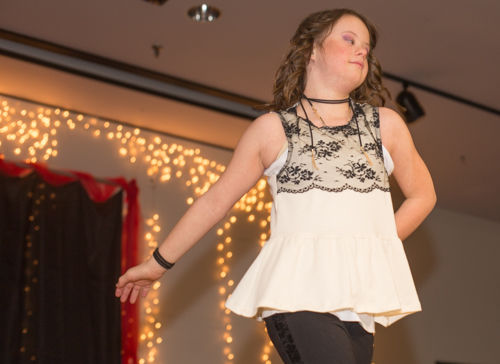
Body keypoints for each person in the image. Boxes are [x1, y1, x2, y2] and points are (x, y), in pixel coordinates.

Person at [115, 8, 436, 364]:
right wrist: (157, 264)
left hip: (358, 303)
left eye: (366, 46)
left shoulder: (386, 125)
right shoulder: (273, 130)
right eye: (349, 40)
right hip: (296, 294)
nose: (362, 50)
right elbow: (215, 202)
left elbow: (422, 196)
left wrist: (376, 246)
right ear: (313, 49)